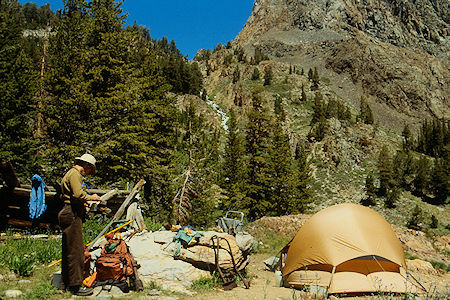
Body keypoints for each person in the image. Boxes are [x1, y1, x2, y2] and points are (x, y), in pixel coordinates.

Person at [58, 153, 101, 296]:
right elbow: (77, 194)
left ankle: (64, 284)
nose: (88, 173)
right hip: (72, 213)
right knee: (76, 252)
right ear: (86, 165)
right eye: (89, 170)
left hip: (67, 212)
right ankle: (76, 286)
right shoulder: (76, 174)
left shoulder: (69, 173)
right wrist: (91, 197)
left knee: (68, 251)